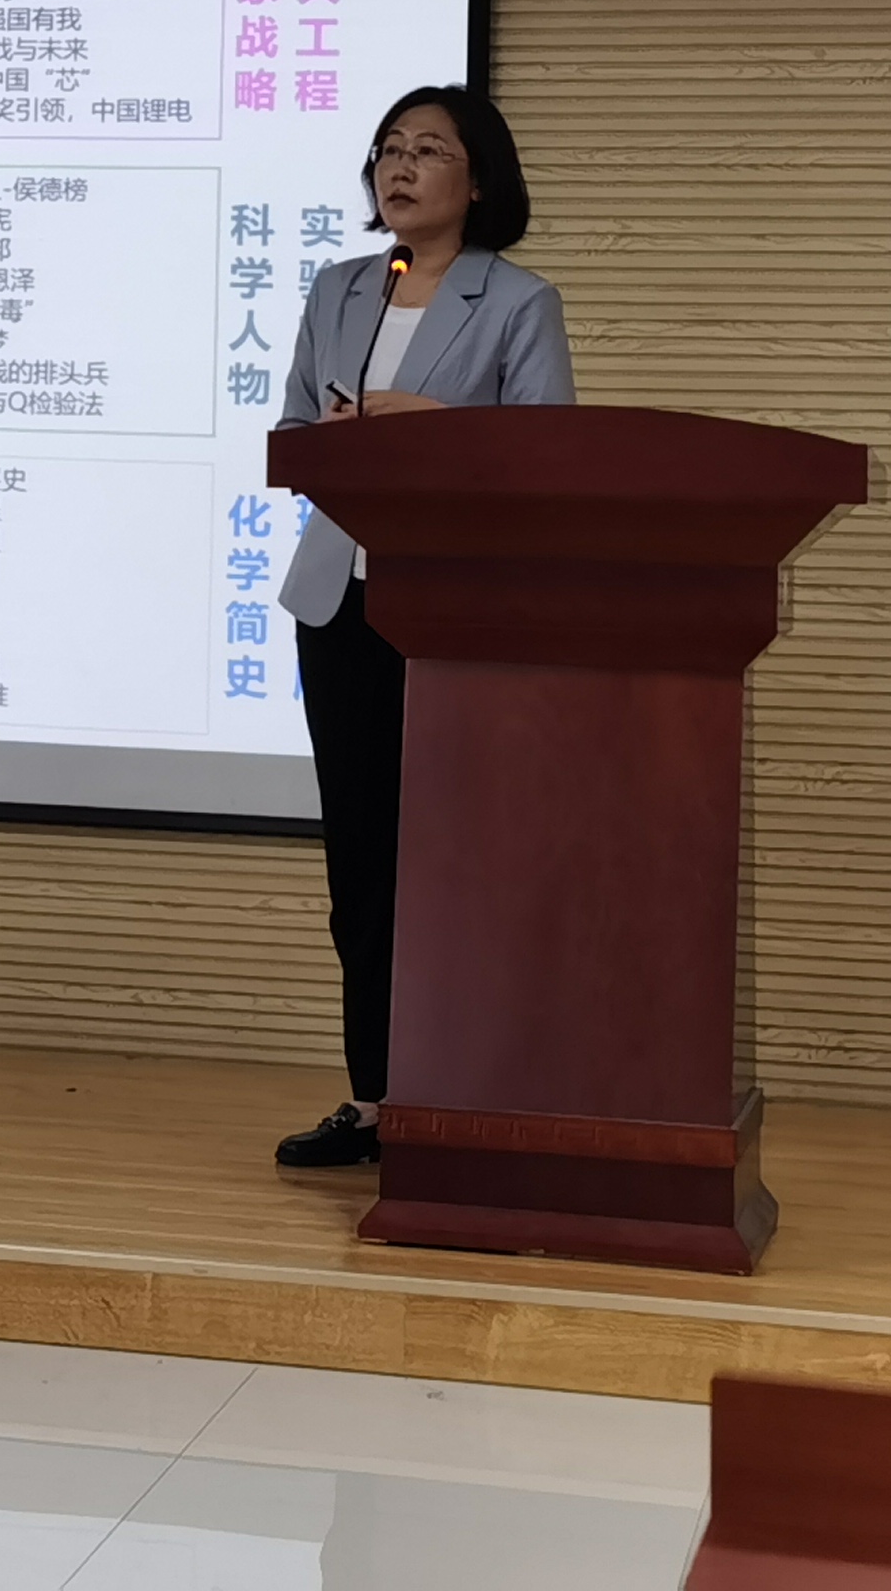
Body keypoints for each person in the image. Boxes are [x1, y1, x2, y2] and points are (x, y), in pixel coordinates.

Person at [267, 84, 575, 1172]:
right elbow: (295, 430)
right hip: (340, 601)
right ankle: (377, 1097)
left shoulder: (518, 301)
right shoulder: (342, 288)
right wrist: (339, 439)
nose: (399, 168)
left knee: (454, 859)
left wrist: (432, 426)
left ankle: (465, 1094)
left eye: (429, 151)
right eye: (388, 150)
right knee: (361, 860)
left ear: (479, 180)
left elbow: (550, 456)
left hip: (455, 610)